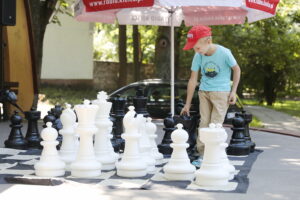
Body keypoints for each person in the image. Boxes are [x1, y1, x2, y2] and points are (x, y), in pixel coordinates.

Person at [180, 25, 241, 167]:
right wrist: (187, 103)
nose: (196, 51)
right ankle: (203, 155)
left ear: (208, 41)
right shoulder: (198, 55)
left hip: (221, 93)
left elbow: (237, 70)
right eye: (194, 48)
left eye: (197, 48)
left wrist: (233, 91)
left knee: (215, 124)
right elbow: (193, 79)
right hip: (204, 92)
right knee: (204, 123)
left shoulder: (225, 53)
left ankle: (215, 154)